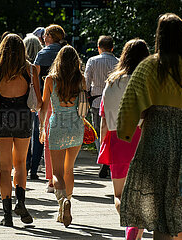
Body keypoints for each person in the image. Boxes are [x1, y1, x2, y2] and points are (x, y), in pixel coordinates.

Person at [117, 13, 182, 239]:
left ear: (159, 37)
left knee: (159, 212)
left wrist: (125, 131)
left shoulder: (149, 66)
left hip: (155, 142)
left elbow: (129, 104)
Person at [0, 34, 42, 227]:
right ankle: (20, 202)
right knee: (21, 163)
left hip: (3, 117)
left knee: (5, 167)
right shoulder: (31, 70)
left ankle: (6, 215)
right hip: (23, 117)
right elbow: (38, 102)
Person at [98, 39, 149, 240]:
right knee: (142, 196)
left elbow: (103, 119)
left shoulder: (111, 82)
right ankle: (134, 228)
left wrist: (104, 144)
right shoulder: (145, 81)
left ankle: (131, 228)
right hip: (141, 139)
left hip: (116, 139)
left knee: (118, 195)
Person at [39, 45, 85, 227]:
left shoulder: (50, 80)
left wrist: (42, 128)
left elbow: (43, 106)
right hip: (76, 126)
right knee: (69, 169)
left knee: (56, 173)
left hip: (57, 125)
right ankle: (67, 203)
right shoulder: (80, 79)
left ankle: (62, 202)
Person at [34, 24, 65, 190]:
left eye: (46, 35)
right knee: (65, 139)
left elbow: (35, 78)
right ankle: (63, 175)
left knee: (48, 139)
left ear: (51, 37)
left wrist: (37, 100)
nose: (44, 38)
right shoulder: (66, 52)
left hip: (48, 99)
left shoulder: (42, 54)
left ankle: (51, 179)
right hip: (67, 100)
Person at [85, 35, 119, 178]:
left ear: (99, 48)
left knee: (99, 131)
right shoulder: (118, 62)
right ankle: (111, 160)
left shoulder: (92, 61)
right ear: (112, 47)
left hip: (96, 101)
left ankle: (103, 158)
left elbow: (86, 82)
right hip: (114, 101)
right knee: (112, 130)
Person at [23, 34, 43, 180]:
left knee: (26, 134)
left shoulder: (23, 64)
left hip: (24, 102)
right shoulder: (42, 59)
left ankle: (25, 164)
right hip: (40, 100)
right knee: (37, 134)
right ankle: (34, 168)